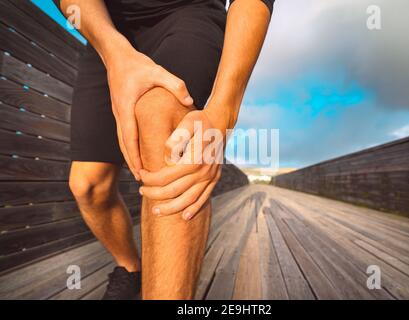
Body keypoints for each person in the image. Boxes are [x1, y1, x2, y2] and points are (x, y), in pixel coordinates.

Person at [55, 0, 273, 300]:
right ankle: (130, 268)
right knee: (88, 185)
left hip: (188, 12)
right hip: (107, 28)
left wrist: (222, 114)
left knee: (165, 123)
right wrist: (112, 49)